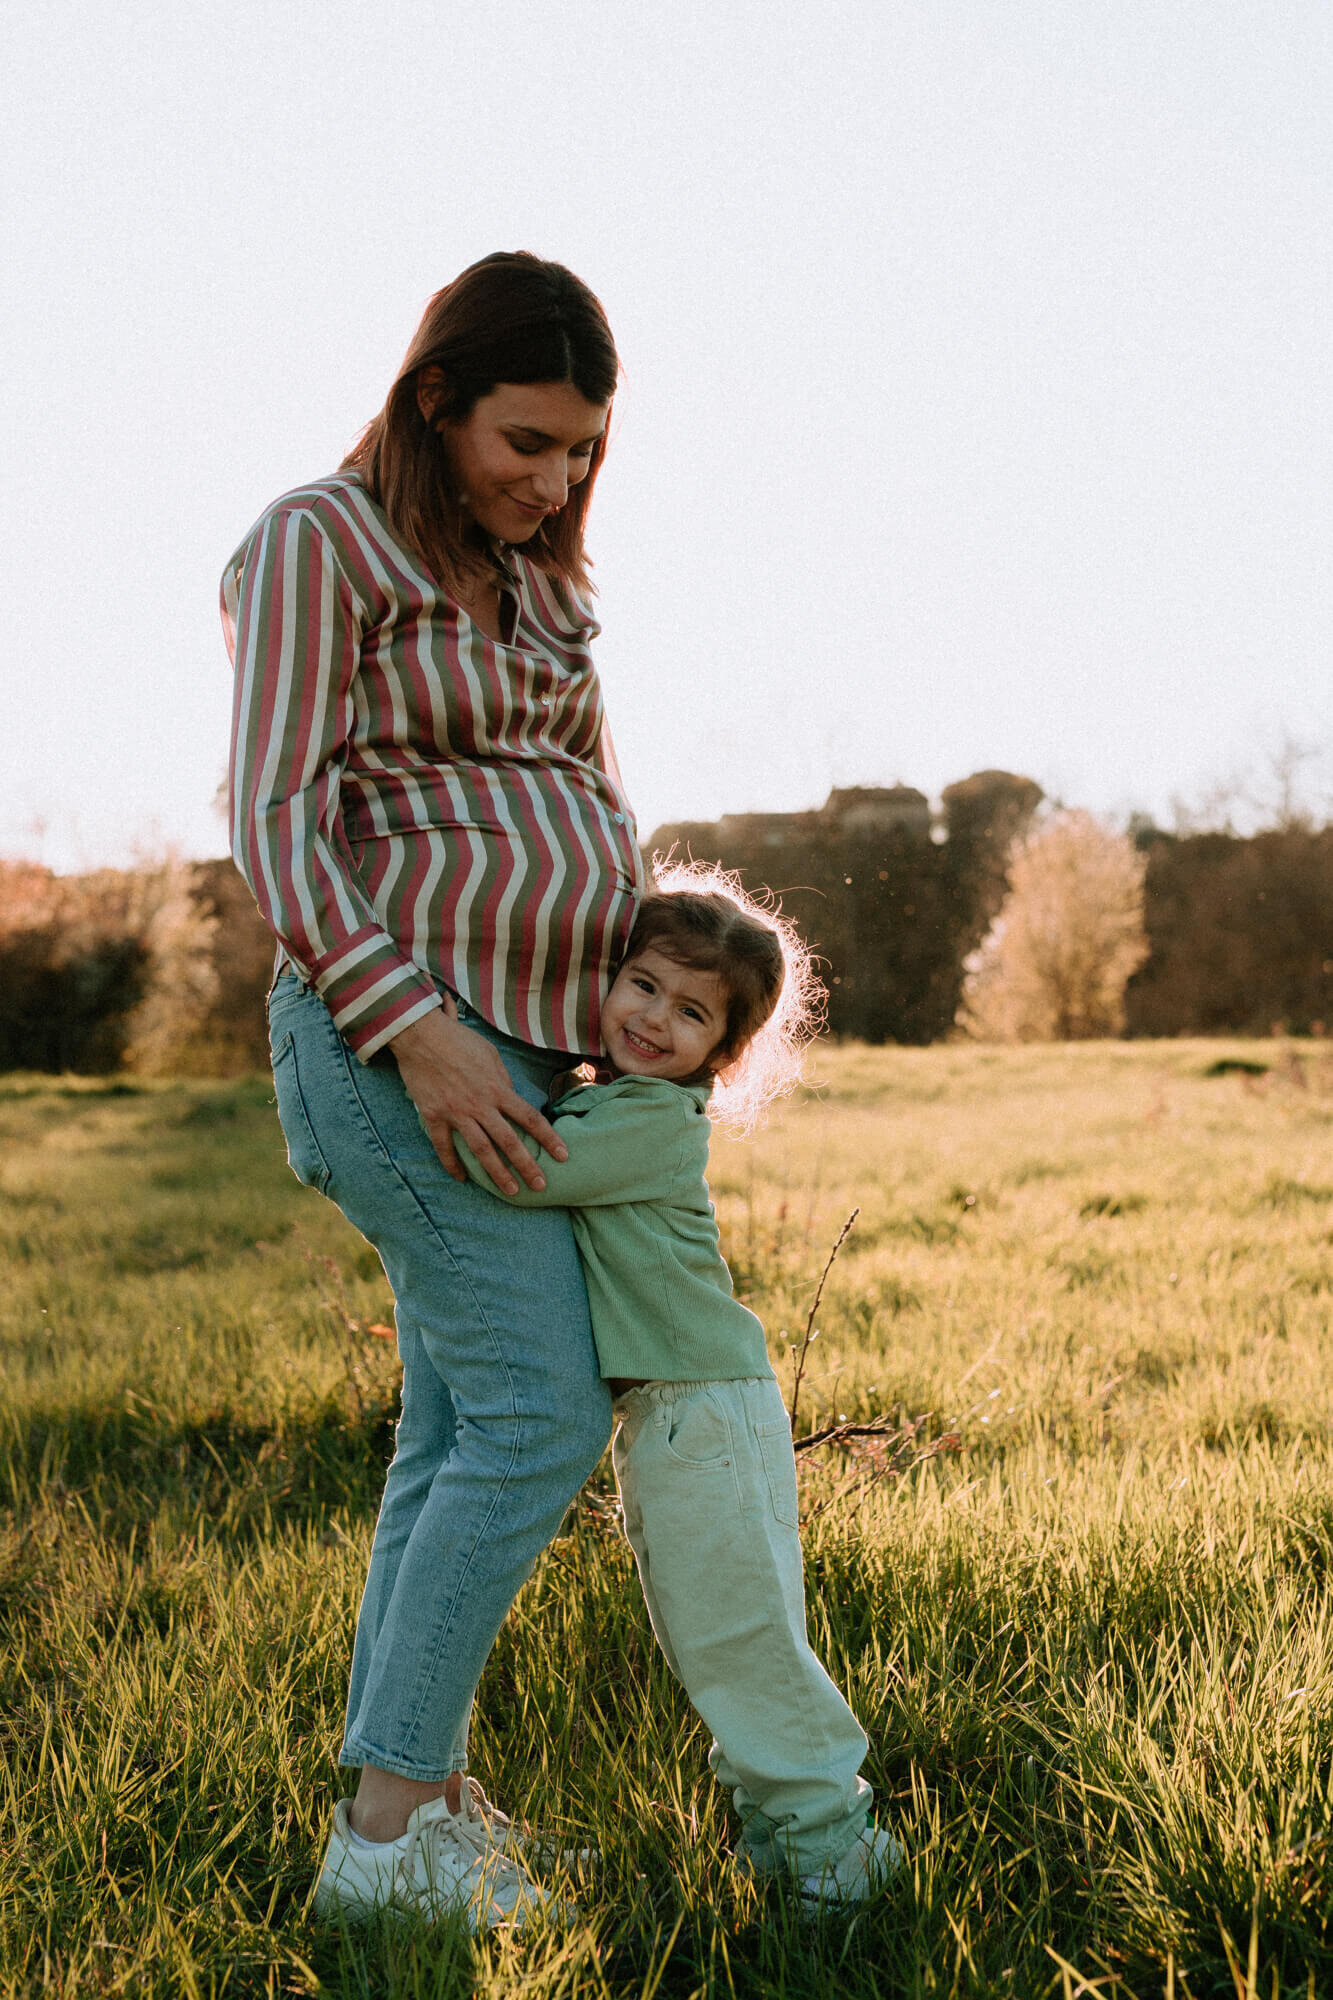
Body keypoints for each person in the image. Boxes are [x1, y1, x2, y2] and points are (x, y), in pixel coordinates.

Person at [221, 253, 643, 1927]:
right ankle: (387, 1841)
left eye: (582, 455)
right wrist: (417, 1022)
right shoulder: (323, 539)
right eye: (524, 442)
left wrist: (630, 1018)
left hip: (537, 1047)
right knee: (542, 1412)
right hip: (400, 1042)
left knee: (463, 1425)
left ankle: (423, 1812)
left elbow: (595, 798)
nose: (551, 482)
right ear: (431, 404)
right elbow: (273, 815)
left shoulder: (546, 591)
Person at [457, 871, 901, 1905]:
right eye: (643, 984)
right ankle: (786, 1834)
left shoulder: (651, 1118)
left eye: (691, 1010)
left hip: (698, 1407)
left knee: (737, 1636)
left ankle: (834, 1847)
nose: (655, 1018)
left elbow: (520, 1163)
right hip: (689, 1408)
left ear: (723, 1050)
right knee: (719, 1629)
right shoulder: (621, 1095)